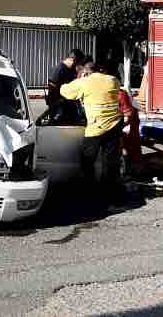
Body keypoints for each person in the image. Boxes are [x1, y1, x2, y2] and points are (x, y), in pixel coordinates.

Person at [60, 61, 124, 206]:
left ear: (86, 72)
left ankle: (89, 191)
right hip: (114, 126)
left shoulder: (84, 82)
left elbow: (64, 91)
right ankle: (110, 194)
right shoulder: (113, 80)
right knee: (110, 162)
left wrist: (79, 79)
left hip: (96, 127)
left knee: (87, 161)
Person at [46, 48, 84, 123]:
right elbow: (52, 91)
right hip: (60, 107)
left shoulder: (72, 69)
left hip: (69, 103)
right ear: (74, 60)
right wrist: (58, 104)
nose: (78, 65)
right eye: (78, 62)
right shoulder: (59, 69)